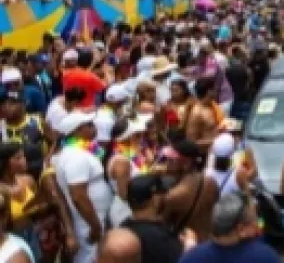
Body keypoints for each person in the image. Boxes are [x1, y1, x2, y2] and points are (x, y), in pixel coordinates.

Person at [53, 112, 114, 263]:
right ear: (76, 131)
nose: (94, 128)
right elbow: (78, 196)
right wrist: (94, 225)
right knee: (90, 257)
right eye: (89, 125)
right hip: (88, 220)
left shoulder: (80, 152)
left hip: (94, 217)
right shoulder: (75, 157)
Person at [177, 192, 281, 263]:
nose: (258, 223)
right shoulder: (266, 257)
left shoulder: (190, 258)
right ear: (241, 230)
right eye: (255, 219)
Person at [121, 174, 195, 263]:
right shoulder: (159, 238)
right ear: (155, 199)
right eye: (162, 193)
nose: (166, 196)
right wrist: (190, 244)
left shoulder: (123, 227)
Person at [162, 140, 220, 242]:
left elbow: (163, 227)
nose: (167, 164)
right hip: (209, 242)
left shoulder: (173, 196)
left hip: (187, 246)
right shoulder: (211, 182)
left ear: (186, 163)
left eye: (171, 160)